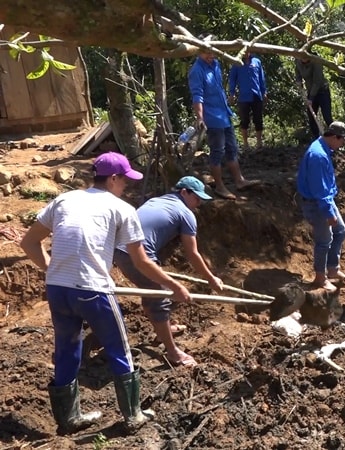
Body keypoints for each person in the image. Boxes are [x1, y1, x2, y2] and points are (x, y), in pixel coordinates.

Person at [19, 152, 191, 434]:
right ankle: (133, 416)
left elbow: (29, 242)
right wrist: (174, 286)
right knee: (119, 350)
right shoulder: (121, 208)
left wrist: (51, 268)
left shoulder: (65, 199)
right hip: (92, 290)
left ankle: (68, 419)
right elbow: (141, 261)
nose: (127, 187)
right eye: (125, 181)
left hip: (58, 290)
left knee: (67, 349)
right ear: (113, 179)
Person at [114, 176, 224, 368]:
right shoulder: (185, 213)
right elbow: (193, 254)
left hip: (120, 250)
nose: (198, 204)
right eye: (196, 198)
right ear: (183, 192)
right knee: (161, 295)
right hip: (137, 255)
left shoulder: (156, 200)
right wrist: (211, 279)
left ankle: (164, 328)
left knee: (156, 291)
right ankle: (173, 353)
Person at [189, 48, 260, 200]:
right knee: (217, 151)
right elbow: (197, 96)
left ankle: (239, 180)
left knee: (232, 148)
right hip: (212, 117)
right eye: (206, 52)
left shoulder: (215, 64)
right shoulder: (196, 70)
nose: (210, 55)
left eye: (212, 51)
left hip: (224, 113)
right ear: (198, 52)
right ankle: (220, 187)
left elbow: (219, 88)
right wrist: (200, 118)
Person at [297, 121, 345, 291]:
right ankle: (320, 278)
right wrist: (329, 213)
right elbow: (319, 190)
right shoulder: (318, 156)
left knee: (340, 231)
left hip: (325, 200)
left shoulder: (323, 149)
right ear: (335, 137)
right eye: (342, 141)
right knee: (324, 241)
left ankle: (333, 270)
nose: (342, 145)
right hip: (318, 204)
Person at [228, 52, 268, 150]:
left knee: (258, 119)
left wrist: (264, 92)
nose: (246, 53)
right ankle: (245, 144)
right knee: (244, 120)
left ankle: (259, 143)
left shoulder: (256, 61)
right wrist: (231, 93)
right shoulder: (236, 63)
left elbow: (261, 78)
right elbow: (232, 79)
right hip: (243, 96)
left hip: (256, 95)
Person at [295, 56, 333, 139]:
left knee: (327, 117)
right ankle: (316, 139)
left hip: (322, 91)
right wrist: (298, 80)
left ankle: (335, 139)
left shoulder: (316, 61)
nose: (303, 58)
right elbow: (297, 72)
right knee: (311, 118)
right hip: (310, 92)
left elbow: (317, 82)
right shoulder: (298, 60)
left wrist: (311, 98)